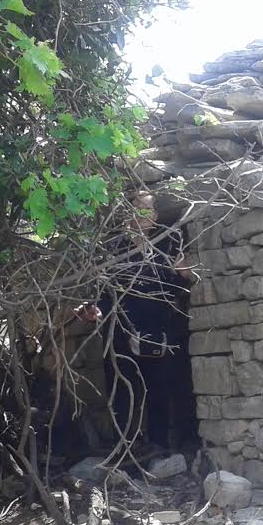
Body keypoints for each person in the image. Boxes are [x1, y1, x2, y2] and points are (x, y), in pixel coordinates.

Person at [75, 192, 195, 454]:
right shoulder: (112, 249)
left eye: (149, 209)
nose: (144, 214)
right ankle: (126, 450)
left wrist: (183, 276)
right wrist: (95, 309)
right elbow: (101, 291)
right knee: (123, 393)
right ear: (127, 214)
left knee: (158, 390)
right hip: (121, 332)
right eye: (139, 208)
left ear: (155, 215)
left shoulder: (163, 247)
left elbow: (172, 289)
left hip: (156, 331)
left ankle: (158, 448)